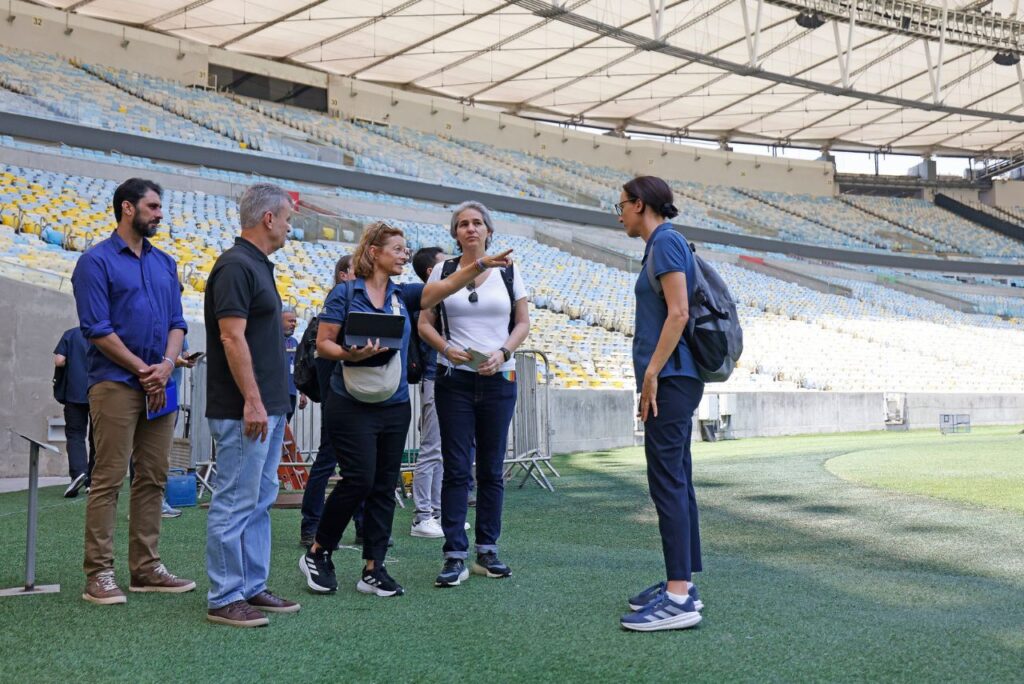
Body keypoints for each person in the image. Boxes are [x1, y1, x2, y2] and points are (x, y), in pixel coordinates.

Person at [299, 221, 512, 598]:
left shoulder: (404, 295)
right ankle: (319, 552)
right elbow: (324, 344)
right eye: (398, 249)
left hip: (394, 405)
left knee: (383, 487)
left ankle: (373, 568)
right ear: (373, 253)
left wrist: (480, 265)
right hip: (349, 403)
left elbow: (444, 287)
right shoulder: (345, 294)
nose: (405, 255)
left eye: (406, 248)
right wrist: (352, 353)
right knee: (359, 480)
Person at [71, 177, 195, 605]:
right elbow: (96, 329)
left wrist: (164, 366)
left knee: (154, 477)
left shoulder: (165, 262)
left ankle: (145, 569)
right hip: (116, 383)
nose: (160, 214)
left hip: (161, 382)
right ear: (128, 208)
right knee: (107, 479)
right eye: (153, 206)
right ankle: (99, 574)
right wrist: (145, 369)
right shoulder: (95, 261)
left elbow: (178, 321)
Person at [418, 201, 530, 588]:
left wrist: (503, 352)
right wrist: (446, 349)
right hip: (454, 380)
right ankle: (454, 554)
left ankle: (487, 549)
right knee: (456, 466)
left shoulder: (510, 270)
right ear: (455, 233)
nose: (470, 229)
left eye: (477, 223)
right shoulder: (443, 270)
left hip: (499, 380)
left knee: (492, 468)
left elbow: (523, 323)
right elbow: (424, 322)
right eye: (463, 224)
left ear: (488, 231)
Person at [204, 183, 301, 628]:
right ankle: (225, 595)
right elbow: (230, 336)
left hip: (267, 405)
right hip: (246, 408)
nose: (288, 226)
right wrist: (254, 402)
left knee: (260, 498)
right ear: (268, 219)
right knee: (235, 500)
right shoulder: (235, 266)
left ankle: (249, 585)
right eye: (286, 218)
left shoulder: (257, 266)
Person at [615, 176, 705, 632]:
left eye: (622, 205)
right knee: (677, 480)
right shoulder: (663, 245)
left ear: (641, 204)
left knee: (666, 482)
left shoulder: (665, 243)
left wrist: (651, 373)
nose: (619, 213)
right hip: (675, 378)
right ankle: (683, 585)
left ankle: (677, 598)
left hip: (670, 378)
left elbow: (679, 312)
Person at [299, 254, 353, 548]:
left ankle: (323, 525)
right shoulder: (339, 298)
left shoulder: (349, 297)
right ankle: (311, 525)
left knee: (348, 461)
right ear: (344, 274)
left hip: (344, 388)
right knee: (330, 456)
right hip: (338, 389)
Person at [409, 247, 447, 538]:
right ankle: (422, 515)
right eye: (443, 262)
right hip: (434, 377)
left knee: (441, 450)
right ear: (429, 272)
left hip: (445, 377)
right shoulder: (427, 299)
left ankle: (435, 512)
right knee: (431, 449)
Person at [54, 326, 94, 498]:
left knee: (75, 434)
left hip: (74, 393)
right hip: (99, 392)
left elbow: (59, 360)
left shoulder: (70, 334)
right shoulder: (106, 334)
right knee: (98, 437)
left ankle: (78, 473)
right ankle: (93, 481)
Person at [282, 306, 308, 422]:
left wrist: (303, 393)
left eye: (294, 321)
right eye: (290, 321)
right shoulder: (272, 340)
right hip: (276, 395)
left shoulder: (295, 342)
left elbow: (299, 369)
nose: (293, 324)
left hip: (291, 394)